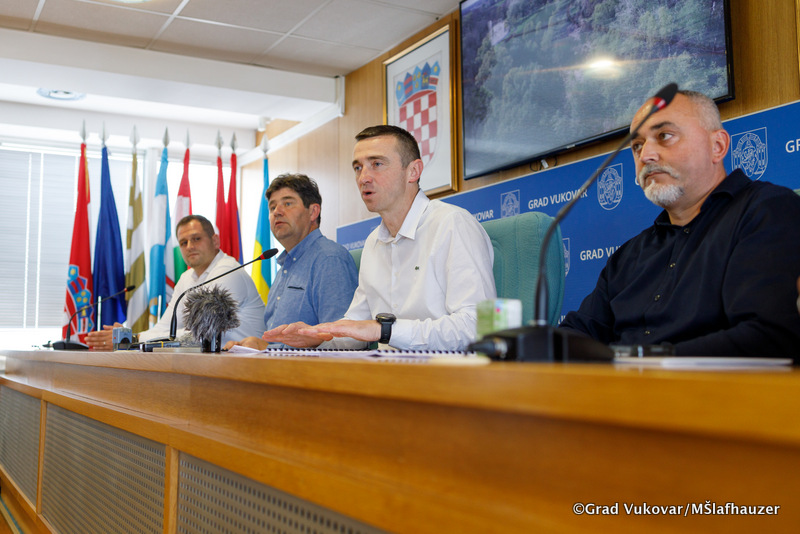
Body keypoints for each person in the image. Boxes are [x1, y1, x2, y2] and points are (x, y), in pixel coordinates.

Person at [559, 90, 800, 357]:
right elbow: (577, 333)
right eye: (637, 145)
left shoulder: (766, 210)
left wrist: (640, 362)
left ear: (717, 146)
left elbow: (765, 337)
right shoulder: (628, 256)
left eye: (664, 136)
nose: (646, 155)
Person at [261, 125, 496, 351]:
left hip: (446, 372)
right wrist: (315, 336)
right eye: (358, 168)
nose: (363, 177)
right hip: (388, 369)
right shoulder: (373, 242)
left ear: (413, 171)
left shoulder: (452, 224)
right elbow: (355, 331)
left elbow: (480, 327)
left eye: (376, 164)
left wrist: (386, 331)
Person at [86, 215, 265, 349]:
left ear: (215, 240)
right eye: (183, 242)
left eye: (196, 239)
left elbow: (200, 335)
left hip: (246, 365)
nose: (190, 246)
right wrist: (131, 337)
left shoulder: (228, 271)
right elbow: (166, 327)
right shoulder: (187, 278)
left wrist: (134, 339)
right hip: (213, 362)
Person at [224, 173, 358, 350]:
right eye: (272, 207)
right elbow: (274, 342)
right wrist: (251, 347)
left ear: (313, 212)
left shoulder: (329, 259)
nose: (277, 212)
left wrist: (267, 349)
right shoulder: (284, 268)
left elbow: (345, 341)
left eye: (287, 204)